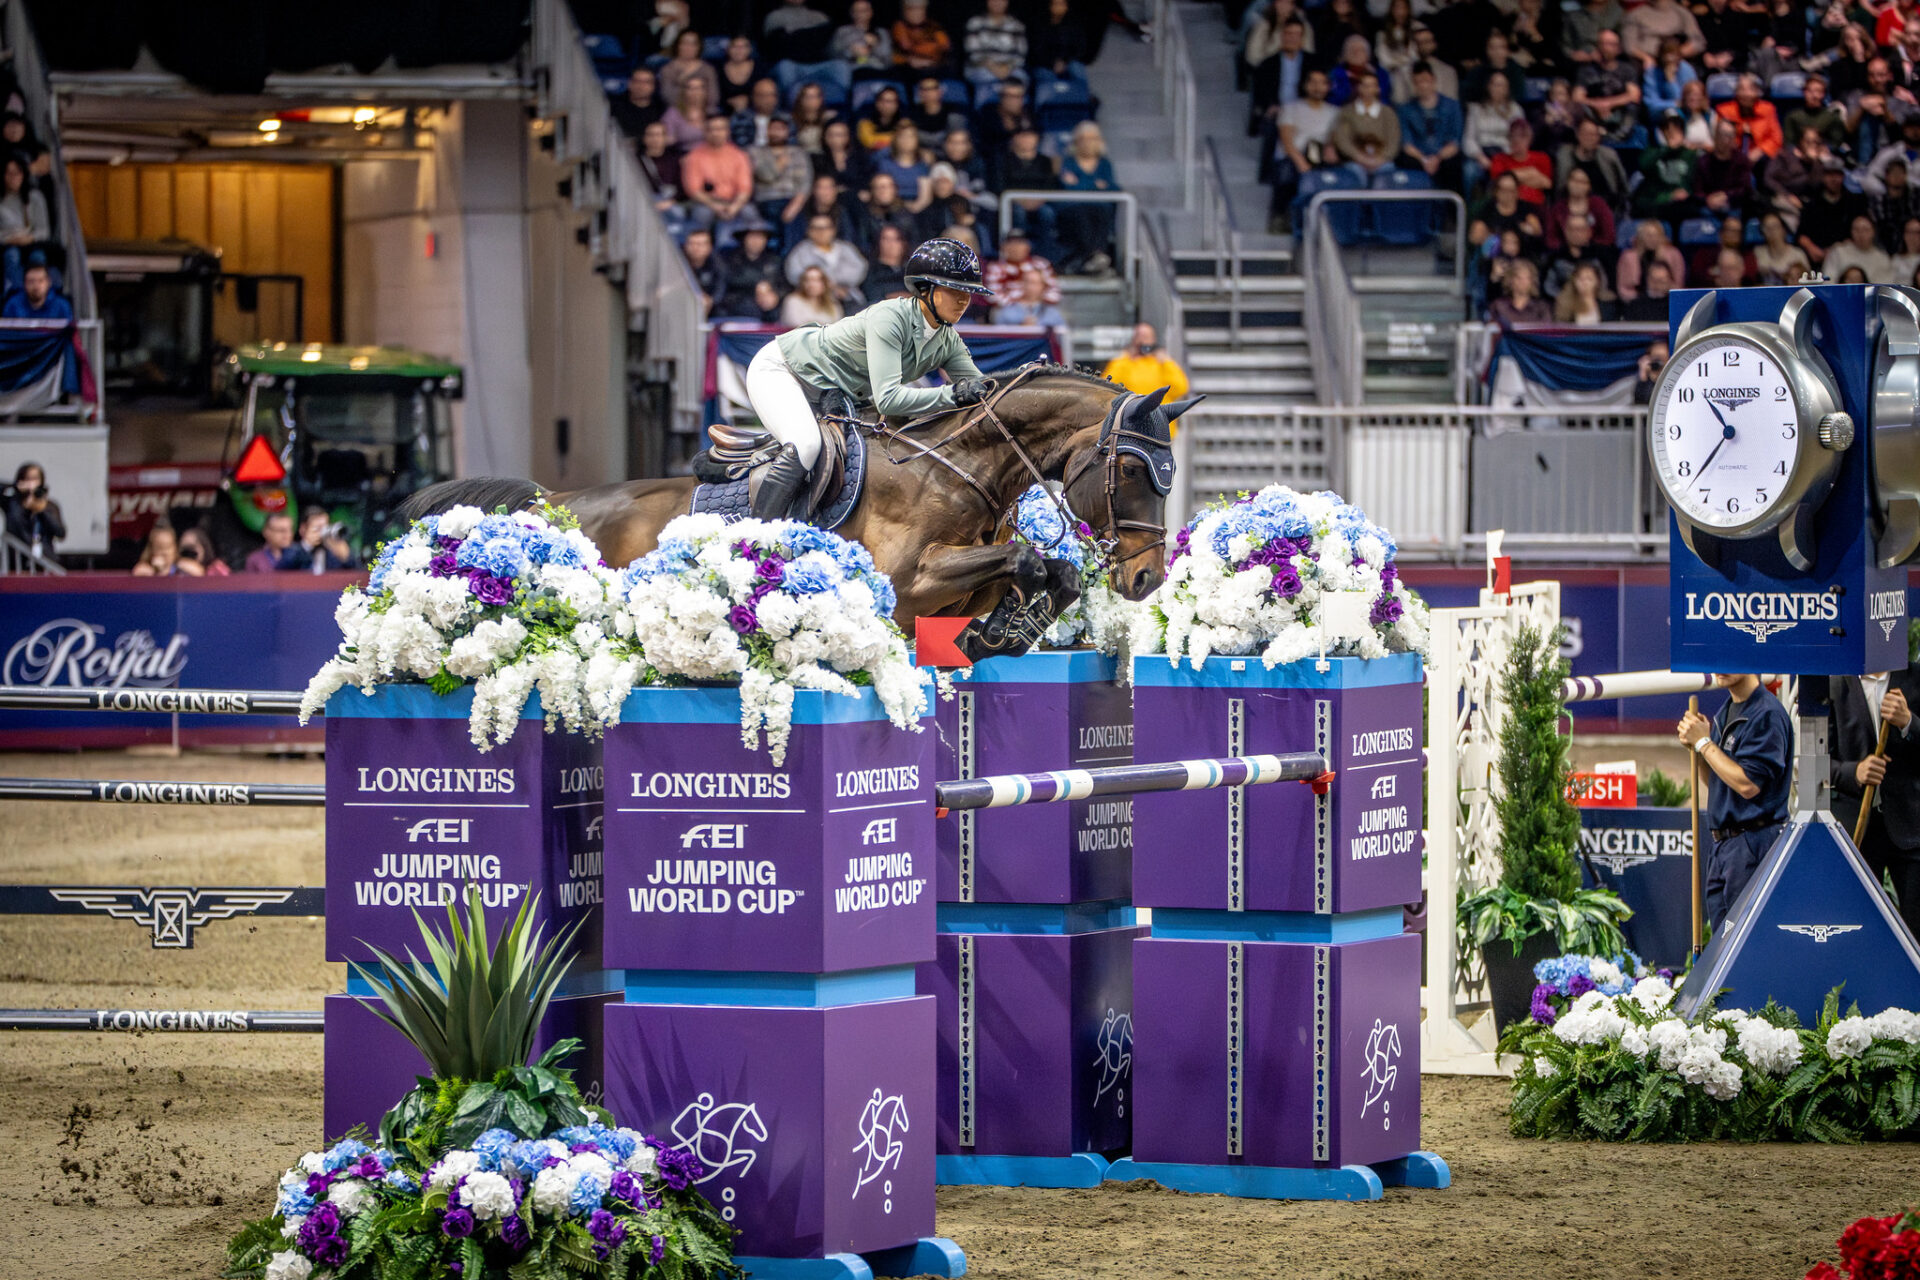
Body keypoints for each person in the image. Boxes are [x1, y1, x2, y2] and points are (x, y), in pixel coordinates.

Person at [745, 237, 993, 519]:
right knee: (807, 444)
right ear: (926, 288)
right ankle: (758, 536)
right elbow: (888, 399)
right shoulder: (890, 318)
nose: (964, 299)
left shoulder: (948, 341)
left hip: (832, 394)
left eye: (969, 292)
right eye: (954, 290)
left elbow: (984, 393)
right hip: (784, 369)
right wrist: (952, 395)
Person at [1676, 673, 1793, 931]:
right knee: (1722, 944)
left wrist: (1704, 743)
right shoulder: (1725, 711)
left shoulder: (1767, 714)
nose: (1720, 666)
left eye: (1728, 655)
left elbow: (1747, 784)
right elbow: (1718, 781)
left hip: (1752, 843)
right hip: (1723, 847)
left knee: (1746, 942)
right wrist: (1695, 750)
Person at [1828, 664, 1920, 942]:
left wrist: (1908, 722)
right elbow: (1814, 761)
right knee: (1858, 927)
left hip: (1911, 827)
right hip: (1855, 828)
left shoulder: (1915, 677)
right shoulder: (1832, 683)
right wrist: (1852, 772)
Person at [1056, 121, 1119, 273]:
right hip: (1072, 207)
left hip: (1099, 207)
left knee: (1102, 211)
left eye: (1092, 139)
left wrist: (1081, 183)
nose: (1087, 143)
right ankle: (1094, 256)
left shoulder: (1105, 164)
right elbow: (1068, 188)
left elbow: (1113, 188)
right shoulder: (1068, 162)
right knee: (1082, 214)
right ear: (1076, 142)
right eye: (1083, 139)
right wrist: (1095, 185)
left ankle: (1090, 258)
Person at [1103, 323, 1191, 429]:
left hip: (1159, 427)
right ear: (1134, 340)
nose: (1143, 341)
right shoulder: (1124, 363)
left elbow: (1181, 388)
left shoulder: (1162, 363)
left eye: (1146, 337)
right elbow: (1106, 387)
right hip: (1130, 427)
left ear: (1153, 339)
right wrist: (1122, 358)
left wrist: (1166, 362)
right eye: (1140, 336)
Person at [682, 113, 754, 237]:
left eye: (720, 129)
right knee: (702, 214)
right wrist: (716, 206)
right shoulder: (694, 156)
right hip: (707, 203)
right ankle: (700, 250)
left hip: (734, 201)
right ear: (705, 132)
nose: (716, 133)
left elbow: (745, 188)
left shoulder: (739, 155)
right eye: (711, 129)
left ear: (727, 131)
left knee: (749, 212)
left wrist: (734, 207)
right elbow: (694, 190)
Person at [1397, 61, 1464, 190]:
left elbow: (1455, 142)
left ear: (1433, 80)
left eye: (1426, 81)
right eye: (1418, 82)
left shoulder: (1452, 106)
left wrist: (1437, 158)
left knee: (1454, 164)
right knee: (1406, 162)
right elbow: (1406, 143)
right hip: (1418, 156)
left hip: (1444, 155)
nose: (1423, 86)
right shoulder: (1405, 109)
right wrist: (1424, 159)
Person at [785, 212, 869, 307]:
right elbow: (794, 275)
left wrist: (826, 279)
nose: (821, 232)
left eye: (826, 228)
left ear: (833, 230)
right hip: (814, 302)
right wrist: (829, 287)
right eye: (816, 228)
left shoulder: (846, 248)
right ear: (809, 231)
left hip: (848, 297)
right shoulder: (800, 251)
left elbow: (859, 270)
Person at [1573, 29, 1644, 142]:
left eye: (1610, 44)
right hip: (1593, 114)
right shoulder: (1586, 70)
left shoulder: (1627, 69)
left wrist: (1608, 103)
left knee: (1632, 107)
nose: (1605, 48)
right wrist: (1597, 104)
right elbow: (1577, 97)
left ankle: (1616, 137)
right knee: (1577, 108)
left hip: (1617, 113)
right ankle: (1588, 138)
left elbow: (1634, 95)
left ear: (1618, 48)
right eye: (1602, 43)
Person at [1799, 156, 1870, 266]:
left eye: (1837, 175)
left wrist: (1837, 250)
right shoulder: (1812, 203)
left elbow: (1861, 230)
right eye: (1829, 175)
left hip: (1848, 257)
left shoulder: (1855, 202)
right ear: (1823, 177)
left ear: (1843, 176)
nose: (1833, 179)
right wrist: (1812, 249)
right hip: (1817, 258)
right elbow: (1802, 234)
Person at [1331, 69, 1401, 177]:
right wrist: (1359, 158)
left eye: (1372, 85)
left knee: (1388, 172)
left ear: (1378, 89)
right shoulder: (1347, 112)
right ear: (1359, 88)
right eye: (1365, 85)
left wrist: (1380, 159)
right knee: (1353, 173)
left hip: (1382, 161)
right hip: (1355, 162)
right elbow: (1343, 140)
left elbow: (1393, 141)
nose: (1368, 89)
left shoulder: (1388, 113)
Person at [1635, 110, 1700, 220]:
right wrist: (1667, 149)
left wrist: (1684, 193)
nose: (1672, 134)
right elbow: (1643, 166)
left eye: (1676, 130)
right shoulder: (1653, 152)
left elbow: (1693, 183)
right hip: (1659, 204)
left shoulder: (1690, 154)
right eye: (1668, 130)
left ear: (1683, 133)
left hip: (1683, 204)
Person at [719, 215, 785, 315]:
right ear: (744, 238)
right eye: (752, 237)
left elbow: (784, 285)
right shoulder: (730, 259)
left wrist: (776, 295)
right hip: (739, 302)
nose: (756, 242)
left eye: (760, 237)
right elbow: (727, 282)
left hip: (769, 303)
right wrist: (757, 286)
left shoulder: (774, 260)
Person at [1716, 73, 1784, 158]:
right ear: (1736, 92)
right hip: (1732, 155)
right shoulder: (1725, 111)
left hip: (1761, 156)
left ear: (1758, 92)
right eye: (1741, 89)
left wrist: (1760, 151)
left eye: (1750, 89)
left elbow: (1776, 139)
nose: (1746, 94)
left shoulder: (1768, 110)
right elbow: (1719, 139)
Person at [3, 460, 62, 560]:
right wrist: (15, 487)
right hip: (17, 559)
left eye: (35, 479)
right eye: (27, 479)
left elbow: (60, 532)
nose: (31, 484)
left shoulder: (49, 506)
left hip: (44, 559)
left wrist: (42, 511)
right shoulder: (12, 503)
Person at [964, 0, 1029, 89]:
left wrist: (1007, 68)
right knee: (985, 77)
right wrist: (993, 67)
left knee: (1021, 77)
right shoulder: (975, 23)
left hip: (1009, 69)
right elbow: (973, 52)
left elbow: (1020, 54)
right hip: (981, 68)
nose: (997, 3)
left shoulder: (1017, 26)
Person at [1617, 218, 1688, 298]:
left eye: (1655, 235)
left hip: (1667, 299)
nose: (1652, 238)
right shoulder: (1628, 257)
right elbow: (1622, 288)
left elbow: (1679, 285)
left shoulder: (1674, 254)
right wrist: (1637, 300)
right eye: (1648, 235)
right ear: (1641, 237)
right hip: (1637, 301)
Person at [659, 29, 720, 110]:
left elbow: (714, 98)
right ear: (678, 45)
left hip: (704, 112)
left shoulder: (708, 69)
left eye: (693, 44)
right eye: (684, 43)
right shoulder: (667, 69)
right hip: (676, 112)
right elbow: (668, 98)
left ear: (699, 47)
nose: (688, 47)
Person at [1823, 214, 1897, 280]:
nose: (1861, 234)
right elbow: (1828, 281)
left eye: (1865, 230)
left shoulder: (1882, 258)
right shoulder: (1838, 252)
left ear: (1874, 232)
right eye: (1856, 230)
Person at [893, 0, 954, 74]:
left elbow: (945, 46)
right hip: (907, 72)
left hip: (935, 69)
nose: (916, 13)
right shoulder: (899, 27)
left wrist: (929, 56)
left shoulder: (934, 26)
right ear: (904, 12)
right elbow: (905, 47)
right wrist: (909, 59)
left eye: (920, 9)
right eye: (912, 9)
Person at [831, 0, 894, 71]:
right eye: (856, 11)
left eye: (864, 11)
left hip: (876, 71)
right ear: (851, 13)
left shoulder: (882, 32)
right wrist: (850, 52)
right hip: (851, 71)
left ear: (871, 12)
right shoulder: (842, 31)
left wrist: (875, 46)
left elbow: (888, 60)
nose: (860, 15)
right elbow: (831, 54)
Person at [1754, 210, 1814, 282]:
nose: (1771, 231)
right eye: (1767, 228)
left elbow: (1809, 281)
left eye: (1775, 227)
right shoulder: (1757, 253)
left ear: (1783, 229)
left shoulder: (1798, 254)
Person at [994, 265, 1065, 326]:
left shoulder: (1052, 314)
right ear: (1022, 284)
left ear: (1043, 286)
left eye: (1035, 283)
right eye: (1028, 282)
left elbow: (1061, 337)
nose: (1031, 287)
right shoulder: (1007, 312)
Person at [4, 258, 70, 321]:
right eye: (31, 281)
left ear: (49, 282)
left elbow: (70, 332)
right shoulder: (13, 305)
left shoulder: (61, 306)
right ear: (24, 284)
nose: (36, 286)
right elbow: (5, 332)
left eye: (40, 281)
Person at [1488, 256, 1551, 322]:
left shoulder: (1541, 308)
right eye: (1519, 278)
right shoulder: (1498, 306)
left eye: (1527, 278)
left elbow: (1546, 330)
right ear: (1510, 280)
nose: (1523, 282)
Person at [295, 507, 358, 572]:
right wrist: (307, 545)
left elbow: (354, 570)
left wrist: (345, 557)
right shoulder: (294, 551)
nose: (322, 532)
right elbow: (289, 564)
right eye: (318, 528)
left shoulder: (331, 554)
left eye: (326, 527)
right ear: (303, 529)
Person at [611, 66, 666, 140]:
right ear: (630, 83)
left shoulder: (662, 109)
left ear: (653, 86)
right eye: (637, 81)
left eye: (646, 82)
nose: (641, 86)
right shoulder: (614, 105)